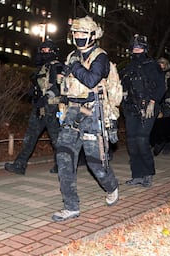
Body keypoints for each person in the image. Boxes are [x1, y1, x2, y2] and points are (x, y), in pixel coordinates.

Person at [52, 16, 119, 222]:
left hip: (93, 112)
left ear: (92, 35)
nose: (79, 37)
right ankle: (71, 206)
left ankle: (111, 186)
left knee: (94, 162)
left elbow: (91, 80)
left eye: (83, 33)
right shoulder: (72, 56)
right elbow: (66, 86)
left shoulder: (100, 57)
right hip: (72, 112)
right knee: (63, 156)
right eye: (76, 33)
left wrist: (74, 67)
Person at [4, 39, 63, 175]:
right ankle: (20, 165)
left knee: (56, 139)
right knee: (30, 137)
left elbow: (59, 86)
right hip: (40, 107)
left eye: (47, 50)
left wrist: (46, 97)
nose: (44, 52)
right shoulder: (43, 67)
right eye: (42, 50)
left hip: (52, 108)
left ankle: (63, 166)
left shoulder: (56, 66)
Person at [120, 35, 165, 187]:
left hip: (148, 107)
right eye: (134, 48)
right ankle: (137, 175)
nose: (136, 51)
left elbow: (161, 87)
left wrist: (153, 102)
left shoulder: (153, 65)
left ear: (145, 49)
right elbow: (121, 86)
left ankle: (148, 173)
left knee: (142, 140)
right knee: (132, 142)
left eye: (139, 48)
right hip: (131, 109)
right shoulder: (128, 67)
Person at [150, 57, 170, 156]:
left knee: (168, 126)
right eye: (159, 63)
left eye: (163, 63)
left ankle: (166, 145)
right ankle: (158, 142)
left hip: (169, 104)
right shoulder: (154, 76)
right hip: (158, 104)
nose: (161, 65)